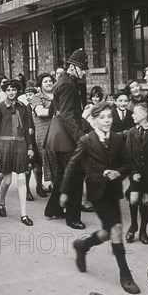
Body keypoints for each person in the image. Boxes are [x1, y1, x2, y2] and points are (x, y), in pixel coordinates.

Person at [60, 101, 140, 294]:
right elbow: (72, 165)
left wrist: (117, 173)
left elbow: (128, 164)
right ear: (94, 120)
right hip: (96, 192)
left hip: (113, 191)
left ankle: (83, 245)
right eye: (102, 117)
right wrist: (64, 191)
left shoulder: (117, 139)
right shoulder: (86, 140)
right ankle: (126, 276)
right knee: (117, 229)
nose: (107, 121)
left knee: (107, 233)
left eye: (109, 117)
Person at [44, 48, 91, 229]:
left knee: (64, 174)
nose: (84, 71)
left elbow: (64, 113)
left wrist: (87, 127)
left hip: (61, 136)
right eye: (82, 68)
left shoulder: (65, 82)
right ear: (72, 67)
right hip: (66, 138)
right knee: (76, 176)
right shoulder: (67, 85)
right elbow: (66, 116)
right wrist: (81, 137)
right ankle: (73, 218)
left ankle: (53, 209)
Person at [0, 80, 34, 226]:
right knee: (8, 181)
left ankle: (24, 214)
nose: (11, 92)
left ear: (17, 91)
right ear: (5, 91)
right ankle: (1, 201)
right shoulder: (0, 108)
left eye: (14, 90)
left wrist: (30, 147)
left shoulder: (23, 108)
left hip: (20, 144)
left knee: (22, 180)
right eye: (8, 90)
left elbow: (28, 128)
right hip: (5, 144)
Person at [125, 103, 148, 244]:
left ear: (144, 115)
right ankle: (133, 225)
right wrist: (133, 172)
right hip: (135, 173)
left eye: (135, 113)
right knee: (133, 199)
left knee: (146, 201)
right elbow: (128, 155)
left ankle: (143, 231)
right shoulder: (132, 132)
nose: (132, 115)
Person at [31, 73, 57, 194]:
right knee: (49, 156)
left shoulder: (58, 95)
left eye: (50, 81)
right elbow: (40, 112)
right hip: (44, 132)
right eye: (45, 81)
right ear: (40, 85)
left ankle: (56, 185)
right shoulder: (37, 97)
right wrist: (57, 111)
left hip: (58, 130)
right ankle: (55, 185)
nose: (48, 83)